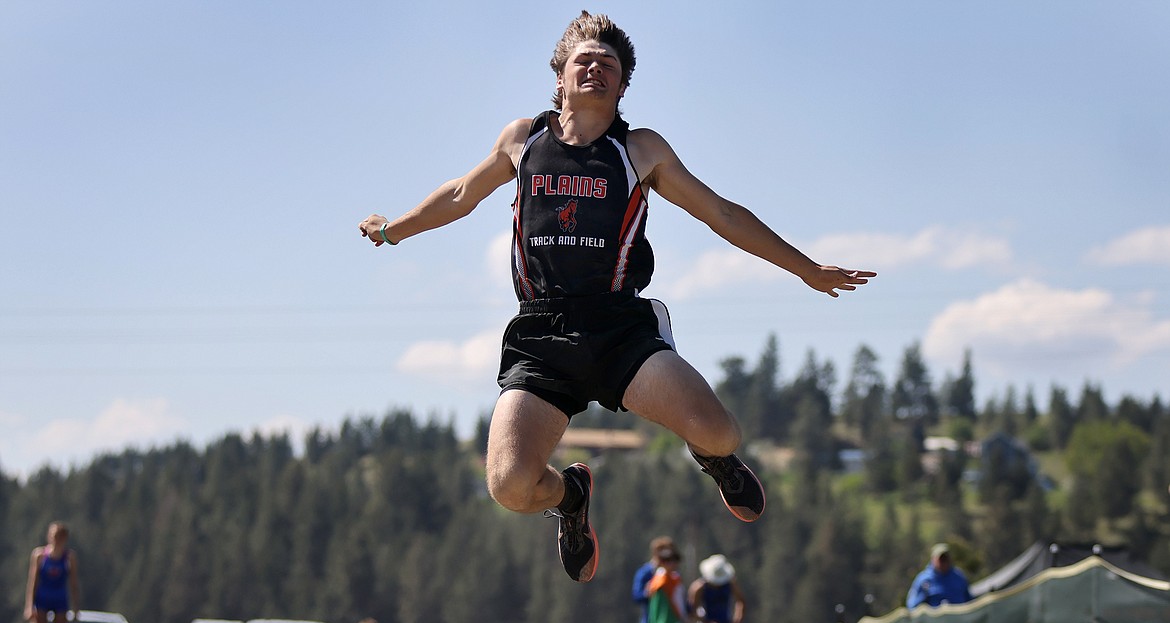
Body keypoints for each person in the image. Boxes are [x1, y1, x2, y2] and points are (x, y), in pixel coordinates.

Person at [359, 11, 875, 583]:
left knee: (722, 430)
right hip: (541, 335)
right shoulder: (522, 140)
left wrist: (804, 268)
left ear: (623, 85)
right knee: (509, 486)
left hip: (619, 329)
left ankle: (714, 458)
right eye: (585, 60)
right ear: (560, 77)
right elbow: (459, 194)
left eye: (610, 65)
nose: (596, 70)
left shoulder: (640, 150)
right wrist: (393, 229)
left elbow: (722, 213)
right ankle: (570, 494)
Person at [906, 543, 971, 609]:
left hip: (960, 616)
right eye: (941, 559)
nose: (944, 562)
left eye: (946, 558)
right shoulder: (924, 580)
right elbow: (913, 606)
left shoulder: (959, 576)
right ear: (933, 559)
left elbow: (969, 599)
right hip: (936, 618)